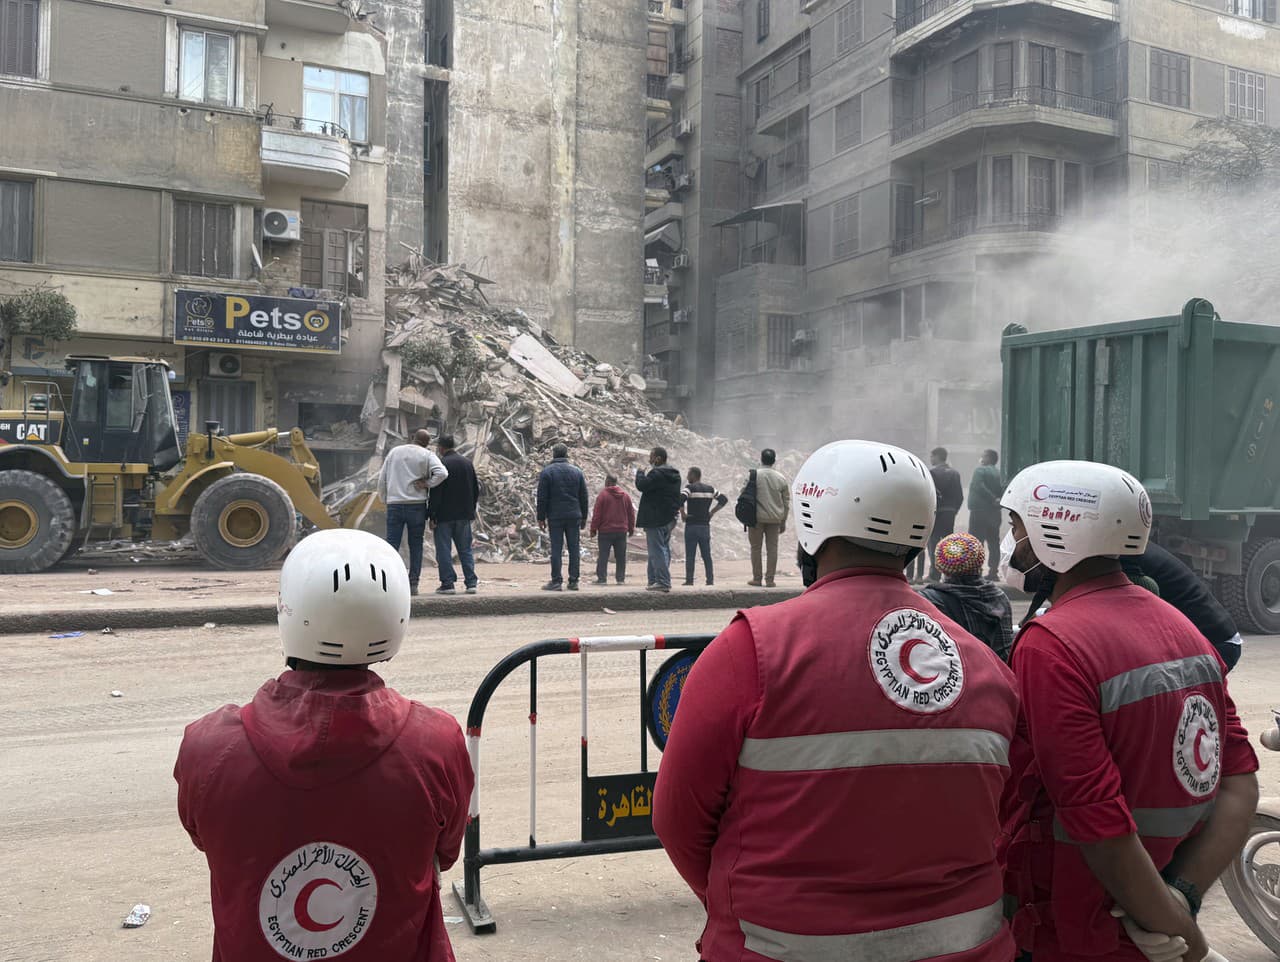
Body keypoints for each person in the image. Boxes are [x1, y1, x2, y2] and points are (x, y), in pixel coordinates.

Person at [654, 440, 1019, 962]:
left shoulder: (751, 649)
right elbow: (1001, 816)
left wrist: (740, 904)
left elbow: (678, 819)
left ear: (811, 523)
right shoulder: (984, 664)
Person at [999, 460, 1258, 962]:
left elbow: (1094, 818)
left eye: (1017, 528)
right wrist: (1181, 894)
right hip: (1151, 913)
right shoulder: (1182, 628)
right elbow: (1239, 782)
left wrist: (1180, 930)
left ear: (1058, 531)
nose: (1013, 545)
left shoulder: (1051, 644)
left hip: (1077, 922)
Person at [174, 529, 474, 961]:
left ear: (288, 610)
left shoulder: (208, 747)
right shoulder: (436, 742)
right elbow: (444, 853)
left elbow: (208, 839)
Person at [1014, 541, 1245, 671]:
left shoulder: (1121, 560)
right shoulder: (1120, 551)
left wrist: (1043, 617)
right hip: (1209, 639)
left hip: (1215, 643)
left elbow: (1106, 611)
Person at [919, 532, 1013, 661]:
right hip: (997, 675)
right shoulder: (1000, 597)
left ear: (940, 566)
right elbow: (1005, 652)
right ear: (980, 560)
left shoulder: (929, 601)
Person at [378, 429, 448, 595]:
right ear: (427, 443)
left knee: (391, 544)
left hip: (395, 504)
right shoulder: (427, 455)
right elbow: (443, 473)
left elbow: (382, 478)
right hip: (416, 505)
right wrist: (427, 484)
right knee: (416, 545)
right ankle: (413, 584)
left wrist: (385, 500)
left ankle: (388, 582)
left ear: (412, 438)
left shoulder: (395, 452)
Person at [428, 435, 481, 595]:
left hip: (444, 516)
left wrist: (432, 515)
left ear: (441, 448)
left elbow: (435, 493)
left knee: (443, 550)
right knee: (465, 550)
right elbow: (475, 489)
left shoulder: (441, 465)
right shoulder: (467, 463)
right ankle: (471, 583)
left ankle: (448, 584)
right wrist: (470, 510)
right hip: (464, 516)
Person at [536, 443, 589, 591]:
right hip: (574, 515)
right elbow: (583, 496)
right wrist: (584, 516)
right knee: (574, 549)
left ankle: (556, 581)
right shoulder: (577, 472)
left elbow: (542, 497)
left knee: (556, 549)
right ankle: (573, 581)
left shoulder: (547, 472)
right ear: (567, 455)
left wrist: (541, 517)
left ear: (554, 455)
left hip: (555, 516)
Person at [635, 446, 682, 592]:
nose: (649, 459)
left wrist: (640, 473)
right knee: (662, 549)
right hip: (668, 518)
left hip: (655, 518)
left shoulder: (657, 473)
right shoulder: (674, 474)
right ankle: (654, 580)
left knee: (656, 550)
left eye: (651, 456)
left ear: (658, 458)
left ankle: (662, 581)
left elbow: (642, 485)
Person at [916, 446, 963, 582]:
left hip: (937, 512)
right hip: (950, 513)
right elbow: (959, 496)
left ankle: (934, 575)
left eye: (932, 456)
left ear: (937, 456)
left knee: (934, 544)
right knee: (949, 544)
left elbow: (929, 494)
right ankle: (950, 574)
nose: (930, 459)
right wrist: (954, 510)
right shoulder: (955, 473)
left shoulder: (931, 473)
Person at [746, 448, 790, 587]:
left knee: (755, 548)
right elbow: (786, 503)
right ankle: (770, 580)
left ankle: (757, 579)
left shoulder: (753, 476)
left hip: (756, 518)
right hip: (775, 519)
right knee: (772, 549)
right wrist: (784, 521)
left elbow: (744, 494)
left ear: (761, 459)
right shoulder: (781, 478)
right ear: (774, 460)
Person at [680, 467, 727, 586]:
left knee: (690, 554)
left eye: (688, 475)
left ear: (693, 475)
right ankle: (710, 580)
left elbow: (680, 500)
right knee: (706, 555)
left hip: (691, 526)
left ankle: (689, 580)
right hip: (705, 527)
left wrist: (683, 513)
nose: (687, 477)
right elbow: (723, 499)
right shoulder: (710, 489)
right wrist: (712, 512)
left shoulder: (689, 488)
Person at [589, 474, 635, 585]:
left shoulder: (603, 496)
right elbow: (631, 514)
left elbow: (597, 514)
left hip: (605, 531)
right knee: (620, 556)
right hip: (621, 531)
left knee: (603, 555)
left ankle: (602, 579)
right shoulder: (625, 496)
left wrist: (593, 529)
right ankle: (620, 579)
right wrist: (631, 528)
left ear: (608, 482)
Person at [968, 449, 1004, 579]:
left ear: (988, 458)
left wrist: (991, 498)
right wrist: (997, 500)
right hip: (994, 513)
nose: (981, 458)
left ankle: (976, 570)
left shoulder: (980, 470)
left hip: (979, 511)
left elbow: (978, 486)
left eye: (983, 456)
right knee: (994, 542)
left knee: (976, 542)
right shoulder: (999, 473)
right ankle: (993, 571)